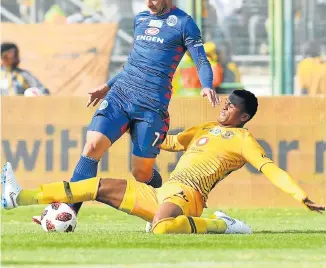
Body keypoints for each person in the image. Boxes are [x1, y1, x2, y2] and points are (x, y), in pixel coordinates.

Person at [3, 90, 324, 235]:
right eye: (225, 102)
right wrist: (138, 130)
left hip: (190, 197)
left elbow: (271, 169)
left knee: (161, 229)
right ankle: (18, 197)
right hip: (162, 193)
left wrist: (300, 195)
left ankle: (221, 225)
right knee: (92, 187)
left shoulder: (244, 140)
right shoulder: (205, 128)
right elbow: (170, 143)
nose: (224, 108)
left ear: (244, 116)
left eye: (231, 106)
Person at [43, 0, 219, 217]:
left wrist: (207, 85)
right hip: (121, 96)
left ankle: (168, 206)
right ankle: (68, 213)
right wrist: (107, 87)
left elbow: (201, 61)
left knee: (142, 173)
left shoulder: (184, 23)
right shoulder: (141, 20)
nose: (148, 3)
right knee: (92, 145)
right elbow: (133, 64)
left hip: (151, 106)